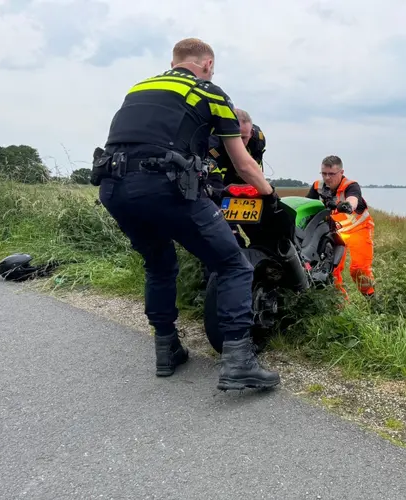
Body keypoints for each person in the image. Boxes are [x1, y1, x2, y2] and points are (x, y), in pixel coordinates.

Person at [93, 37, 280, 391]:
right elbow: (244, 163)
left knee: (159, 265)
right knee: (233, 264)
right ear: (207, 64)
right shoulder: (210, 91)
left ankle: (167, 349)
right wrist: (270, 196)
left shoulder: (140, 87)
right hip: (164, 186)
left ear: (174, 60)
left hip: (114, 189)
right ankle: (239, 361)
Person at [306, 155, 375, 298]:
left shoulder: (350, 186)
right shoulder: (317, 187)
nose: (327, 178)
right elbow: (307, 206)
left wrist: (347, 205)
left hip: (358, 230)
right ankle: (340, 306)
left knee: (359, 269)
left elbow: (353, 200)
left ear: (341, 173)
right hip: (336, 233)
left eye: (331, 174)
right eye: (324, 173)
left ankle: (371, 298)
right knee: (332, 271)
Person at [206, 108, 267, 247]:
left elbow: (255, 170)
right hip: (220, 176)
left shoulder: (258, 140)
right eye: (236, 136)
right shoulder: (212, 144)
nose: (240, 142)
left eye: (244, 137)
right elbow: (214, 181)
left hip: (243, 174)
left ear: (251, 132)